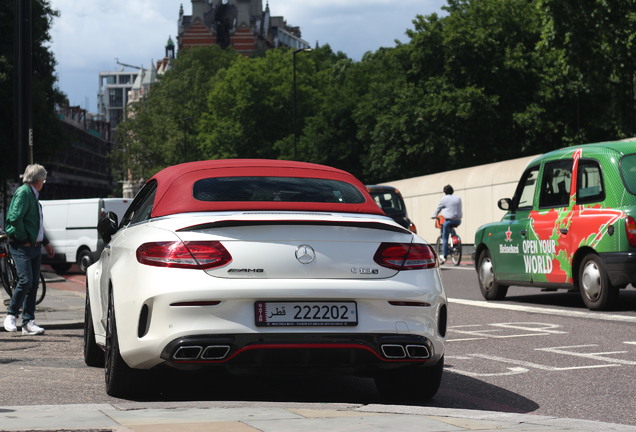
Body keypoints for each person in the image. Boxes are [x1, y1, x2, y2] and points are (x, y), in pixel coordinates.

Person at [3, 164, 54, 335]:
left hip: (34, 247)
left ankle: (28, 322)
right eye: (44, 180)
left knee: (32, 285)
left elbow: (36, 224)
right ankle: (11, 315)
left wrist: (45, 242)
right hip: (22, 246)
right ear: (38, 180)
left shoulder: (33, 195)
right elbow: (14, 219)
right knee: (25, 281)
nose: (44, 183)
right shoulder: (24, 193)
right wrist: (24, 239)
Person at [432, 184, 462, 264]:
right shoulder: (458, 198)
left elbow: (438, 209)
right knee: (452, 231)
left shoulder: (443, 199)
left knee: (445, 238)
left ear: (445, 192)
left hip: (448, 221)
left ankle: (444, 256)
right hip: (458, 220)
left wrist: (434, 216)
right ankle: (455, 242)